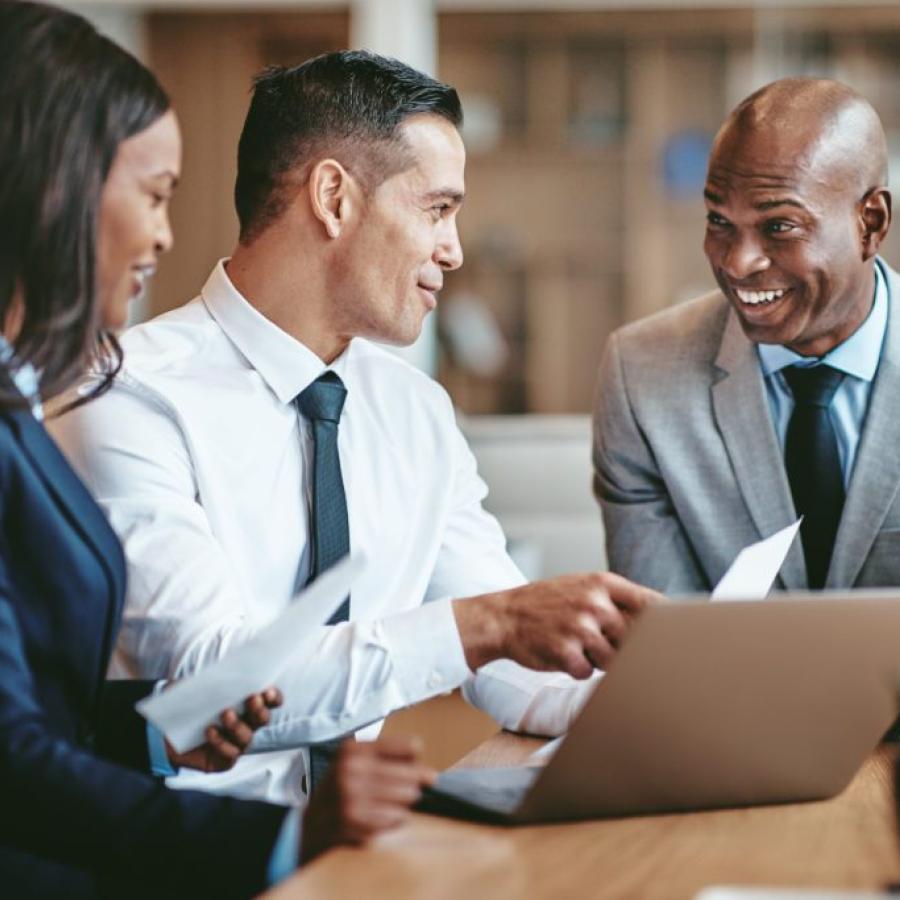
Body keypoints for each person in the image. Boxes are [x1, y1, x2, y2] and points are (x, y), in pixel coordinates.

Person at [52, 50, 660, 807]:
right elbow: (212, 688)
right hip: (190, 849)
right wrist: (491, 623)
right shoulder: (128, 396)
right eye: (437, 209)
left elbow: (513, 666)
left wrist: (670, 699)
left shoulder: (415, 410)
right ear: (334, 198)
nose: (454, 250)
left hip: (359, 842)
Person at [0, 3, 436, 896]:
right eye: (155, 194)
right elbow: (13, 761)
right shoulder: (122, 396)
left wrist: (157, 736)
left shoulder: (19, 401)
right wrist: (280, 840)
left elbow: (38, 709)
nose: (165, 235)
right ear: (56, 190)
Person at [592, 77, 897, 595]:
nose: (737, 263)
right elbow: (662, 624)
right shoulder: (641, 375)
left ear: (871, 223)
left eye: (779, 226)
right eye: (719, 221)